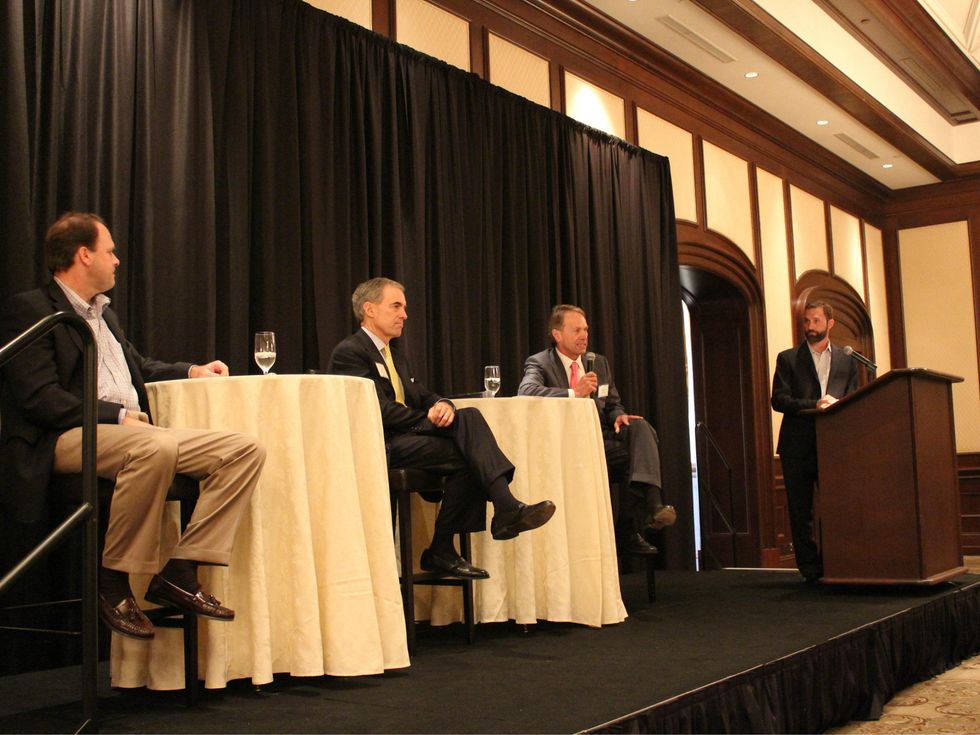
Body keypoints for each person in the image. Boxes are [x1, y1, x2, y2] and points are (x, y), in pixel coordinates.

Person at [0, 212, 267, 640]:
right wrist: (116, 415)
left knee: (244, 449)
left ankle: (180, 570)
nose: (118, 260)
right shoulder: (33, 309)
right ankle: (112, 580)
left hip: (131, 434)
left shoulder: (105, 315)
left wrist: (191, 370)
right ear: (84, 255)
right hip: (61, 438)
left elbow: (138, 367)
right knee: (153, 448)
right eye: (110, 251)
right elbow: (39, 398)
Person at [327, 277, 555, 580]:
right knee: (470, 435)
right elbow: (375, 409)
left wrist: (443, 404)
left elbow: (423, 395)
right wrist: (427, 419)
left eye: (405, 308)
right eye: (396, 306)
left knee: (468, 432)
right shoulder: (350, 352)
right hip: (381, 444)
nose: (404, 314)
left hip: (408, 439)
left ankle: (452, 543)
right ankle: (498, 511)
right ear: (369, 309)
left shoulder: (396, 356)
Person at [518, 304, 674, 555]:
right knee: (634, 461)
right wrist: (573, 393)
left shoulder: (597, 362)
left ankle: (651, 509)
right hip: (565, 444)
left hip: (599, 439)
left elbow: (612, 403)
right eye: (577, 330)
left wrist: (620, 416)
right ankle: (631, 527)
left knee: (640, 427)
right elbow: (526, 392)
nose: (584, 335)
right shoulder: (540, 362)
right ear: (557, 335)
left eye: (586, 329)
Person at [771, 300, 858, 583]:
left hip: (835, 444)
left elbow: (855, 397)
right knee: (801, 509)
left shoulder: (847, 359)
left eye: (816, 321)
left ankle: (840, 561)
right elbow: (779, 400)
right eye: (807, 321)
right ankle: (810, 569)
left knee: (838, 505)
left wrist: (838, 403)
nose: (810, 327)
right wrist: (815, 403)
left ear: (830, 324)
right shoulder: (788, 358)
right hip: (797, 444)